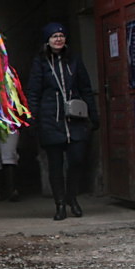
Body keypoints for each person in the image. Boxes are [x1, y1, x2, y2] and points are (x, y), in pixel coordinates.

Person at [25, 22, 98, 221]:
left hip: (75, 119)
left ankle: (71, 198)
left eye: (61, 35)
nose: (58, 39)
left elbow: (86, 88)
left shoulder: (74, 60)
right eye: (54, 36)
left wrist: (93, 114)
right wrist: (32, 118)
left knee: (76, 159)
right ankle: (60, 205)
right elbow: (33, 92)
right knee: (55, 165)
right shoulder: (40, 62)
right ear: (47, 41)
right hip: (50, 119)